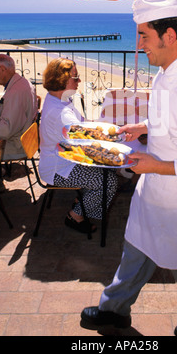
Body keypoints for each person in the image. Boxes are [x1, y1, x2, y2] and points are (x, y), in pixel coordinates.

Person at [81, 0, 177, 336]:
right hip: (154, 183)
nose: (138, 45)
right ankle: (114, 310)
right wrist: (142, 127)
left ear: (169, 36)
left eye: (144, 35)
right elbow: (175, 122)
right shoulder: (166, 73)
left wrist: (157, 166)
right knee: (137, 244)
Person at [39, 57, 118, 234]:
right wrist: (114, 136)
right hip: (59, 168)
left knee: (109, 169)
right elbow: (84, 140)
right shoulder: (60, 112)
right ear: (62, 80)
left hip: (65, 156)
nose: (79, 81)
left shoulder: (57, 99)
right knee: (108, 181)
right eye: (75, 77)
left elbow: (80, 130)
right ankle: (76, 215)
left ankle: (86, 202)